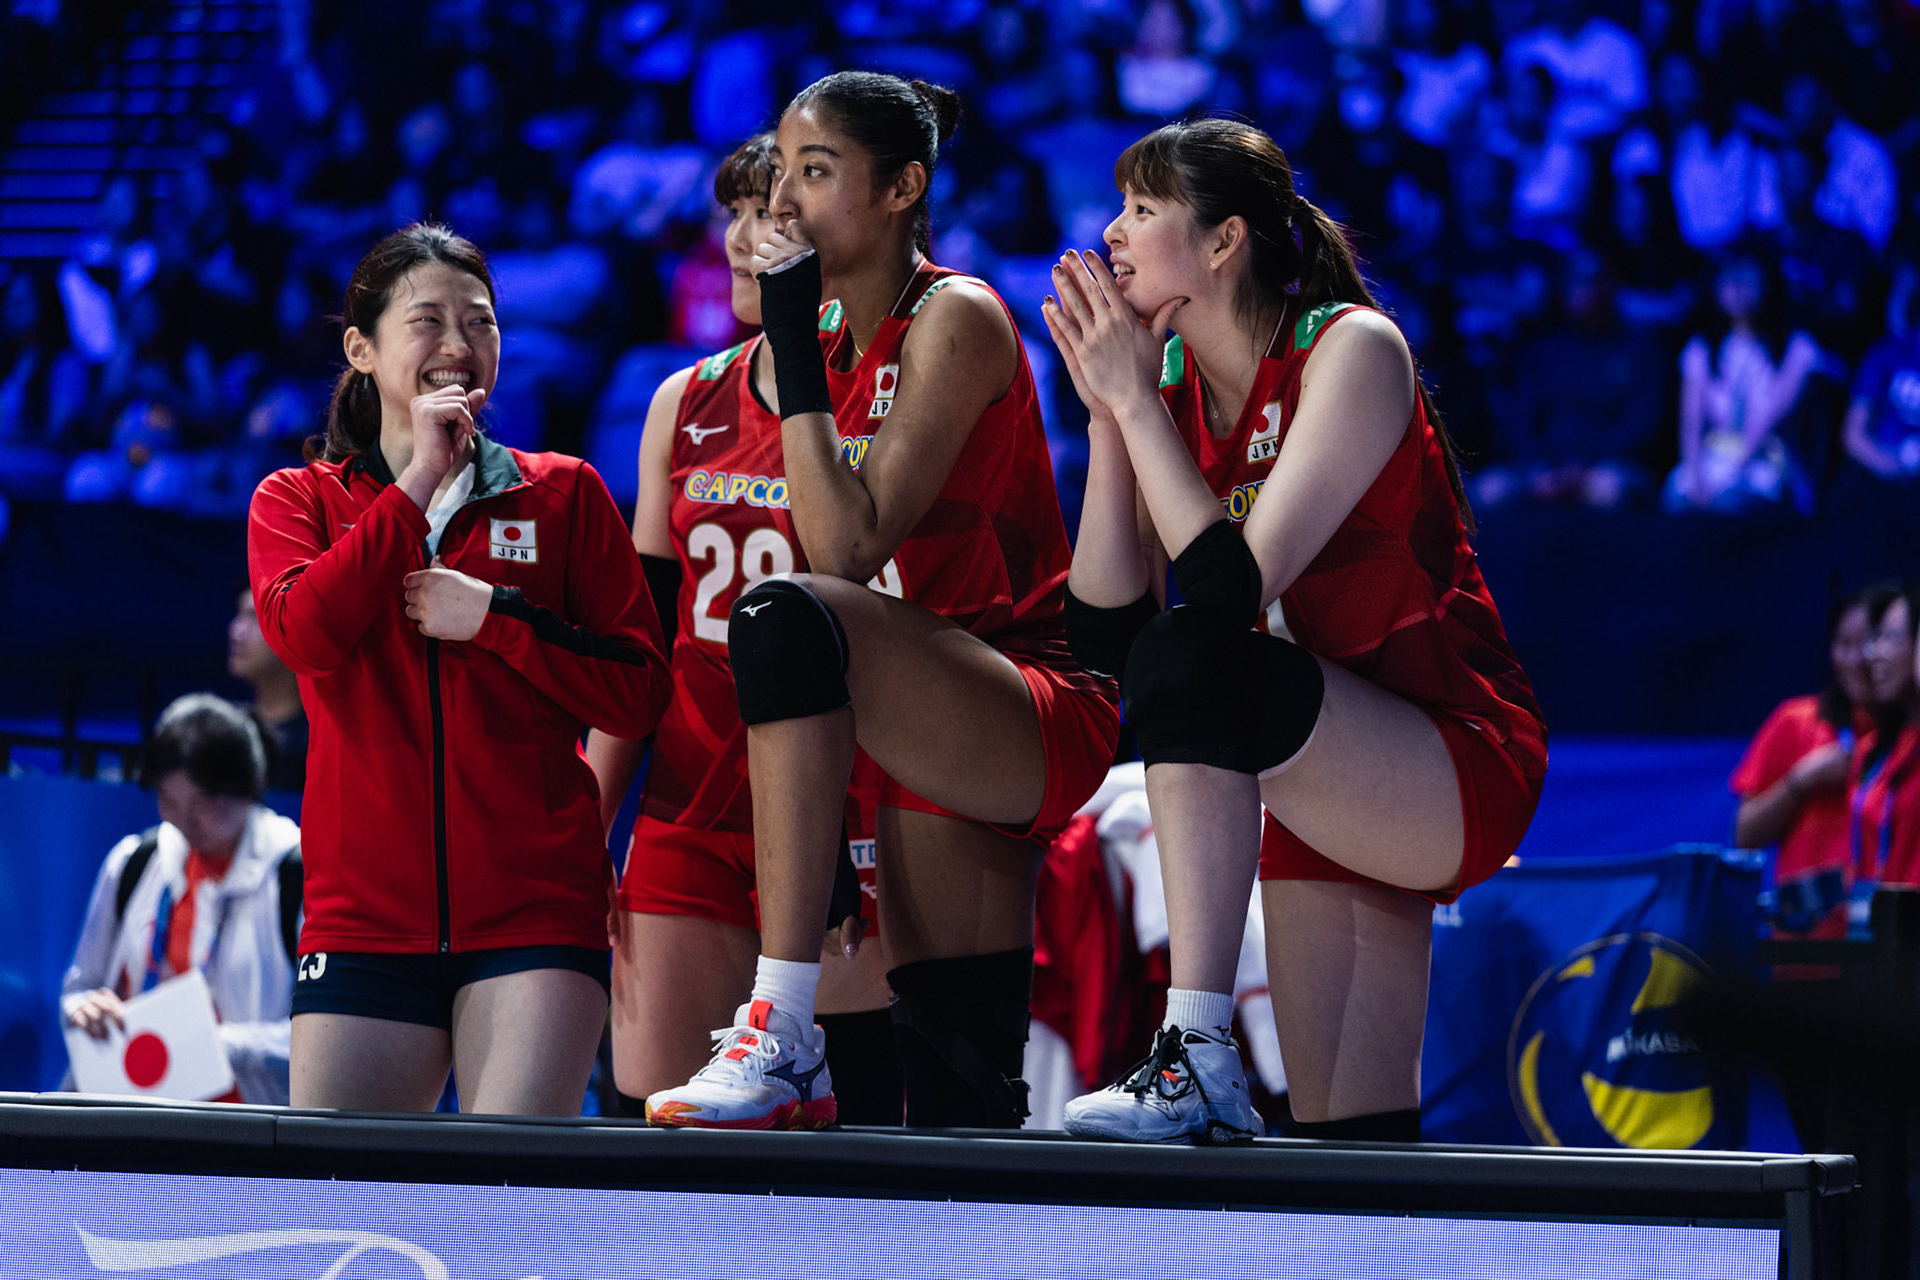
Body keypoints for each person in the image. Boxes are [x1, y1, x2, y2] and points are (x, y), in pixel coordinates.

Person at [1042, 117, 1546, 1144]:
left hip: (1447, 748)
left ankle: (1194, 1045)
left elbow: (1225, 597)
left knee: (1196, 651)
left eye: (1142, 210)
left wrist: (1136, 406)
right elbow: (1106, 636)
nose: (1112, 233)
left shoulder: (1350, 347)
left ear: (1223, 241)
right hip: (1313, 756)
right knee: (1351, 1137)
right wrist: (1107, 415)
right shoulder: (1167, 387)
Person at [644, 72, 1120, 1131]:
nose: (784, 204)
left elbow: (844, 549)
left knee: (785, 609)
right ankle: (798, 1039)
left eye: (816, 173)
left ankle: (781, 1018)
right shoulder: (805, 343)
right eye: (783, 171)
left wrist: (792, 344)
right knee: (947, 1078)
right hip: (895, 703)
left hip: (1016, 693)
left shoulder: (956, 316)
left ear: (904, 187)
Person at [247, 222, 671, 1115]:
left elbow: (639, 688)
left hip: (537, 917)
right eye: (428, 321)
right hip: (362, 920)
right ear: (361, 349)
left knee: (505, 1207)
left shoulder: (564, 493)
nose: (458, 345)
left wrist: (500, 622)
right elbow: (305, 636)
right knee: (345, 1213)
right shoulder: (299, 500)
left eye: (479, 322)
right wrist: (414, 488)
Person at [583, 134, 901, 1124]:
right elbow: (640, 643)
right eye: (732, 214)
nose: (736, 240)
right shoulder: (684, 399)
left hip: (847, 815)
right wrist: (587, 822)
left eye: (769, 216)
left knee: (843, 1147)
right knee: (657, 1128)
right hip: (688, 805)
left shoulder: (901, 397)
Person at [62, 693, 302, 1105]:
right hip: (132, 1110)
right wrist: (85, 1010)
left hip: (253, 1134)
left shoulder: (296, 873)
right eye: (167, 801)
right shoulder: (135, 862)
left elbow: (322, 1036)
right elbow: (80, 986)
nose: (183, 821)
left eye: (203, 803)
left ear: (247, 788)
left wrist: (212, 1043)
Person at [1732, 584, 1896, 942]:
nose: (1855, 660)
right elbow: (1745, 835)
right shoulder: (1796, 721)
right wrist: (1800, 781)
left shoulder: (1905, 738)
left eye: (1868, 643)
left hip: (1890, 949)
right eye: (1843, 645)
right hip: (1806, 948)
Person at [1664, 249, 1821, 514]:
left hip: (1767, 459)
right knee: (1677, 498)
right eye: (1730, 281)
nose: (1739, 290)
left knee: (1733, 503)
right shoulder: (1702, 349)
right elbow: (1691, 422)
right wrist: (1695, 476)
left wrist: (1729, 477)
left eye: (1749, 281)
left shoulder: (1795, 349)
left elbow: (1767, 418)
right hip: (1713, 457)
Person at [226, 585, 307, 794]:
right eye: (239, 615)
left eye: (254, 618)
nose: (236, 631)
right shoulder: (226, 728)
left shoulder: (320, 740)